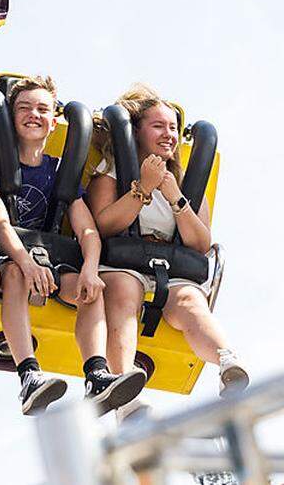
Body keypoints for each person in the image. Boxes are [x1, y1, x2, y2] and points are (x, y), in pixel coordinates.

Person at [0, 76, 148, 416]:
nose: (33, 115)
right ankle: (29, 376)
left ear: (54, 122)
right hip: (9, 255)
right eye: (24, 108)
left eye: (42, 109)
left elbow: (87, 231)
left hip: (50, 261)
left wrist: (89, 269)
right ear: (10, 117)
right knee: (16, 276)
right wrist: (25, 261)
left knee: (91, 289)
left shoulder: (59, 170)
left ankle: (97, 375)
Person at [85, 83, 249, 399]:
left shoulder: (186, 181)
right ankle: (124, 387)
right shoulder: (111, 172)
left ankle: (227, 361)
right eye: (158, 126)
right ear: (136, 132)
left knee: (190, 301)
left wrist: (175, 197)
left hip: (171, 263)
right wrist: (143, 188)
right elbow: (104, 224)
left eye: (173, 128)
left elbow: (200, 242)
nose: (169, 135)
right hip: (124, 261)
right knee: (123, 293)